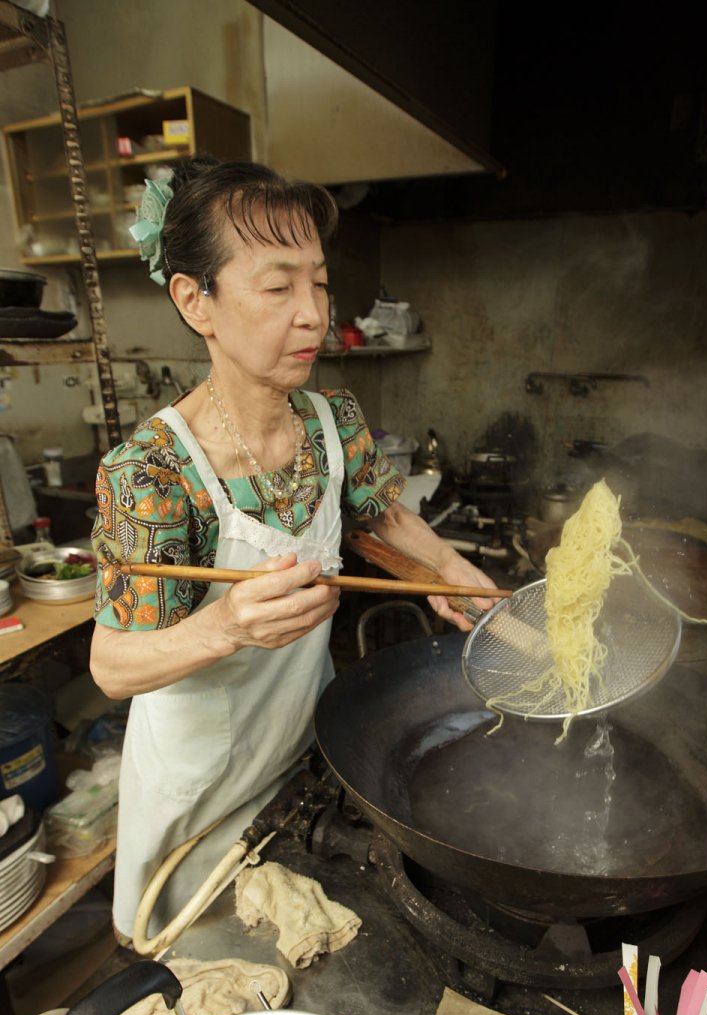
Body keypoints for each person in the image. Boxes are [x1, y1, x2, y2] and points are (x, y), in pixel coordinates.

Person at [89, 156, 497, 942]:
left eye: (319, 283)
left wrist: (448, 571)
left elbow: (379, 516)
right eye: (278, 288)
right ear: (195, 300)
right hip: (199, 792)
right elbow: (112, 666)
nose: (312, 314)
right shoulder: (153, 472)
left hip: (305, 757)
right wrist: (226, 626)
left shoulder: (331, 420)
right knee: (208, 963)